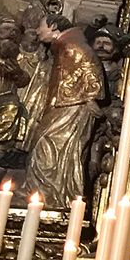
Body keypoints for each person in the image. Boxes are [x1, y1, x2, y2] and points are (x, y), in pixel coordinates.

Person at [22, 12, 104, 205]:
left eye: (41, 26)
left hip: (72, 106)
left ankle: (54, 198)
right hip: (63, 104)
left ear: (53, 27)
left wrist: (91, 96)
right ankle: (46, 194)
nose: (37, 31)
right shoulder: (63, 45)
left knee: (50, 148)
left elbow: (89, 65)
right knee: (47, 148)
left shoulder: (71, 45)